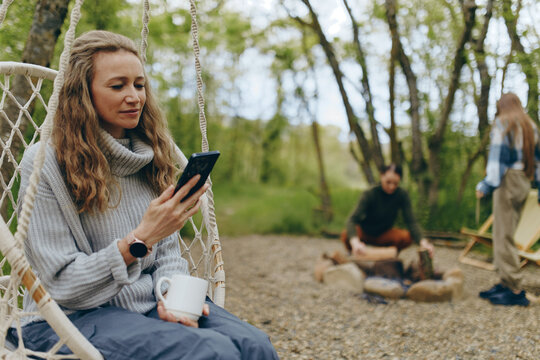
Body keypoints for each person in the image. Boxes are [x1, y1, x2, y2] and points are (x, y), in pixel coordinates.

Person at [12, 30, 279, 359]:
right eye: (117, 85)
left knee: (256, 346)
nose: (134, 97)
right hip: (65, 317)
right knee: (212, 352)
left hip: (148, 305)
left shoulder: (150, 157)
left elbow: (168, 257)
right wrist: (140, 239)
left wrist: (171, 297)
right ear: (82, 93)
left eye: (139, 85)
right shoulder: (45, 163)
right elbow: (62, 285)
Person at [476, 92, 540, 307]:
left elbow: (496, 162)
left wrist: (485, 185)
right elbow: (538, 162)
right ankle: (505, 282)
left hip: (507, 181)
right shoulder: (530, 125)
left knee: (503, 235)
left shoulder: (504, 123)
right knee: (507, 233)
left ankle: (514, 288)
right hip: (524, 181)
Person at [340, 164, 434, 258]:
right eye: (388, 182)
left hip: (384, 234)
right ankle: (354, 251)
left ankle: (391, 254)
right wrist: (355, 242)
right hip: (365, 232)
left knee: (406, 237)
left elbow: (411, 222)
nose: (391, 187)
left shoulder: (402, 195)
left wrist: (423, 242)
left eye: (395, 183)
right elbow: (352, 220)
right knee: (346, 234)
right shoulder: (370, 194)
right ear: (381, 176)